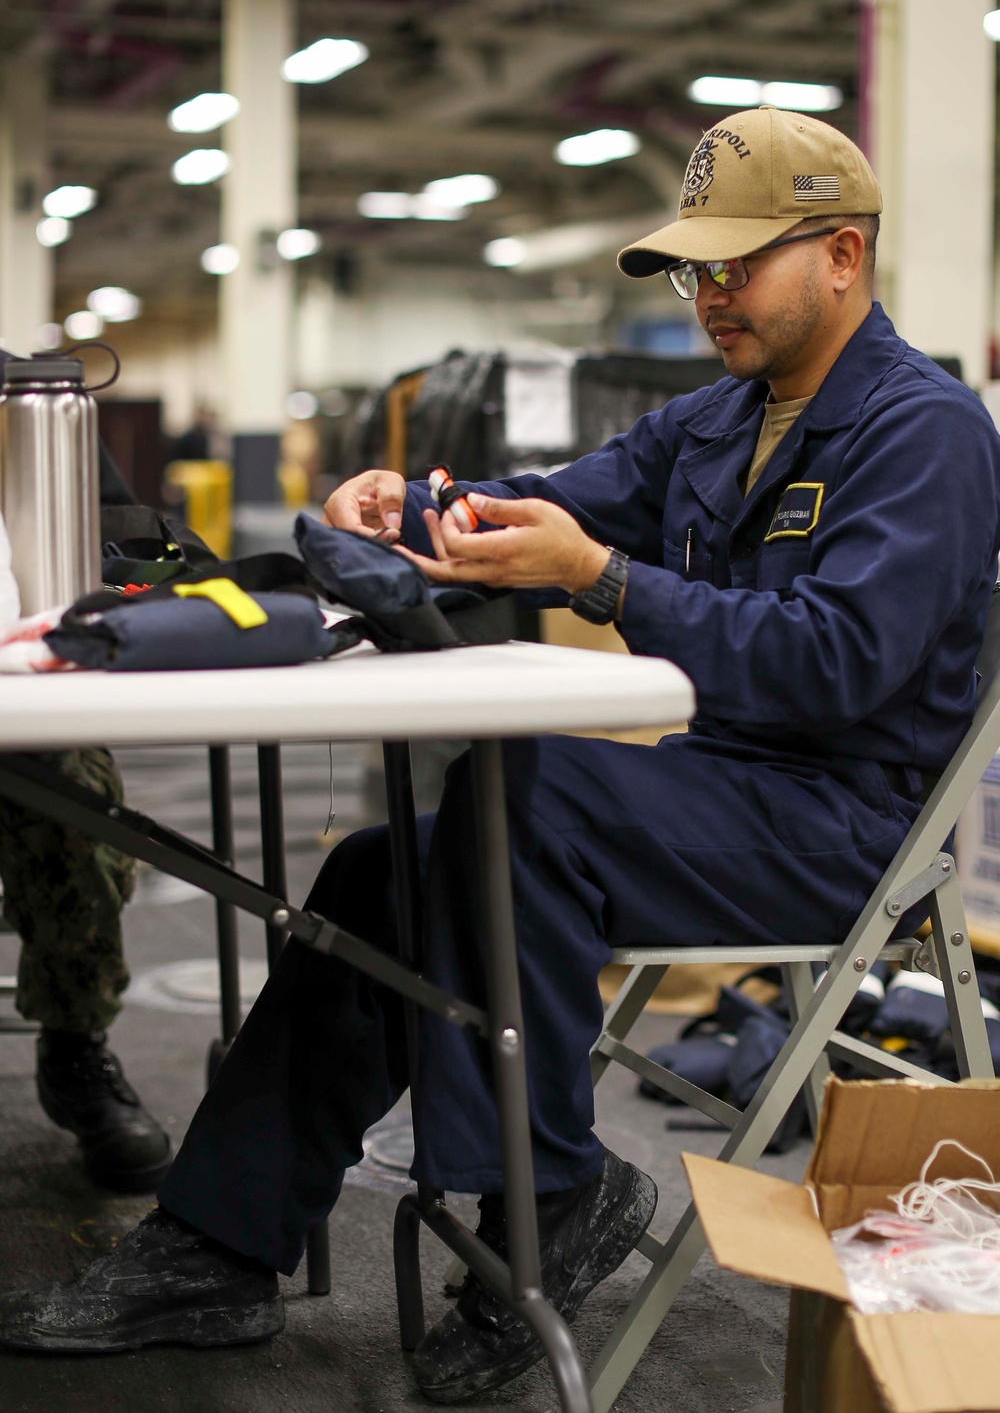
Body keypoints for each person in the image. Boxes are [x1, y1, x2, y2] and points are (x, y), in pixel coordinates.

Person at [3, 106, 999, 1403]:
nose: (710, 294)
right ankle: (216, 1246)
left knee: (520, 794)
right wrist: (401, 499)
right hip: (719, 793)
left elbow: (839, 661)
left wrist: (604, 584)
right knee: (379, 875)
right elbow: (546, 496)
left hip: (838, 828)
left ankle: (547, 1197)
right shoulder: (717, 420)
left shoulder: (922, 432)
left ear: (844, 255)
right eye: (695, 268)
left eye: (737, 264)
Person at [0, 367, 172, 1194]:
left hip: (16, 681)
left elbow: (124, 538)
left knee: (75, 791)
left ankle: (74, 1050)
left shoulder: (19, 393)